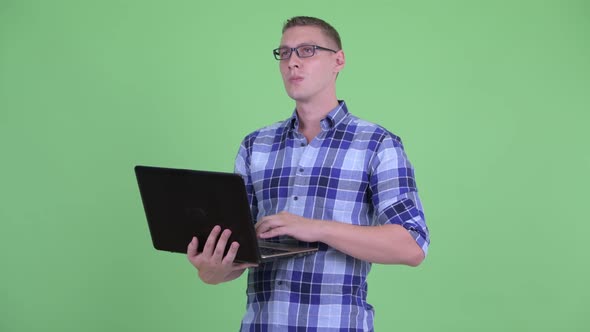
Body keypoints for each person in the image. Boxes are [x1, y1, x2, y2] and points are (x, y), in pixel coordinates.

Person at [187, 16, 430, 331]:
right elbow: (233, 259)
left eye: (307, 50)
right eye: (285, 53)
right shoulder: (255, 146)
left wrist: (314, 228)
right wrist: (211, 268)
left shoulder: (377, 144)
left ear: (338, 61)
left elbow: (412, 244)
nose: (292, 63)